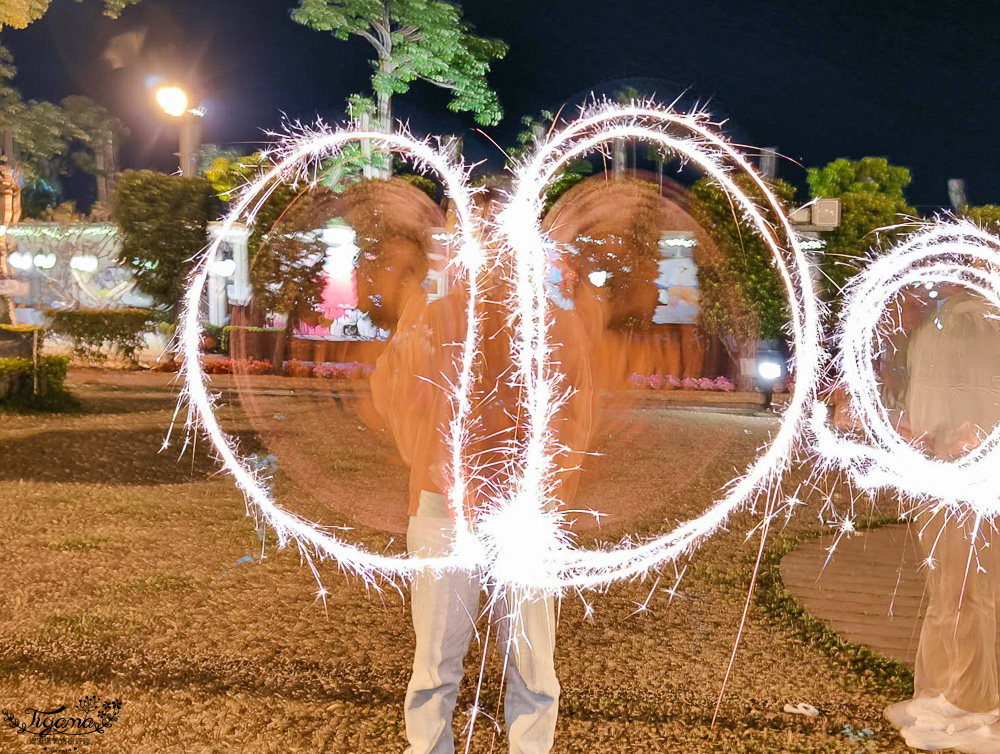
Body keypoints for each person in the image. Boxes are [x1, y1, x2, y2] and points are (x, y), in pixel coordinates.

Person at [370, 195, 601, 754]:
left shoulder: (549, 315)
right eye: (468, 228)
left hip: (517, 514)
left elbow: (575, 408)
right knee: (436, 665)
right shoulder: (434, 308)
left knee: (531, 666)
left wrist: (544, 488)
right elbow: (394, 390)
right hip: (444, 510)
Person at [884, 291, 1000, 754]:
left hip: (968, 476)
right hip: (933, 469)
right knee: (944, 588)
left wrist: (966, 436)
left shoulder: (975, 323)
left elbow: (982, 395)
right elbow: (929, 390)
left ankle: (971, 701)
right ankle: (937, 691)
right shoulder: (932, 328)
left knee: (967, 589)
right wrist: (911, 426)